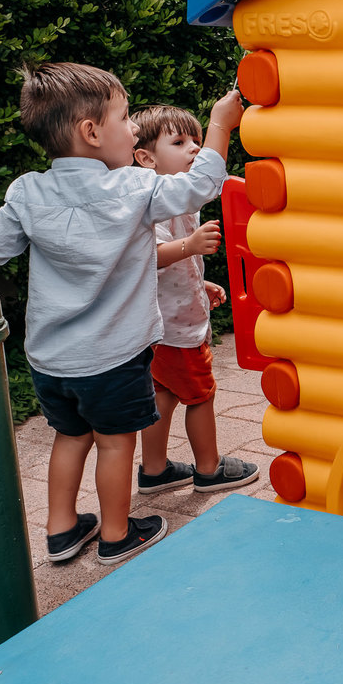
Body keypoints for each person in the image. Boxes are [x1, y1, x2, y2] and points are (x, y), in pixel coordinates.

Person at [0, 63, 243, 565]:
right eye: (124, 117)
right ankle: (118, 534)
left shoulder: (28, 191)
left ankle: (62, 530)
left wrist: (20, 211)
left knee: (70, 437)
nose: (134, 127)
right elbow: (201, 185)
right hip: (113, 358)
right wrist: (221, 124)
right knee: (115, 445)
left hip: (52, 361)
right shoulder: (134, 188)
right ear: (92, 132)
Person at [133, 105, 259, 494]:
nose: (192, 149)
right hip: (176, 330)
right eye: (179, 142)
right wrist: (189, 247)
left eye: (196, 142)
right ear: (146, 158)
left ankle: (154, 471)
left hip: (160, 325)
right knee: (201, 396)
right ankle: (209, 468)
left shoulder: (177, 201)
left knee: (163, 395)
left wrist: (198, 283)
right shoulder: (150, 205)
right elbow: (148, 257)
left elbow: (165, 269)